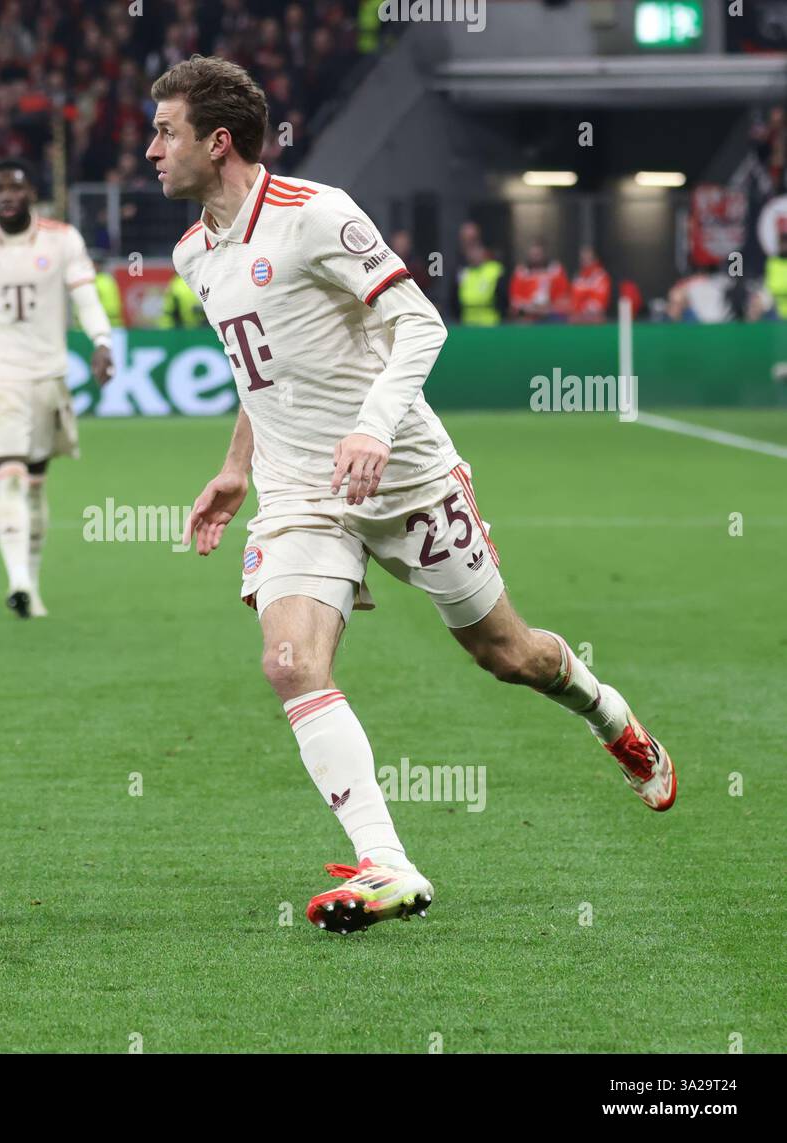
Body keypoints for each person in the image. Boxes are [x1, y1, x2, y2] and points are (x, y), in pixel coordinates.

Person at [147, 54, 677, 935]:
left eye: (165, 131)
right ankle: (388, 862)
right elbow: (261, 374)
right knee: (289, 663)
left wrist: (376, 426)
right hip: (300, 494)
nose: (151, 149)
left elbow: (418, 322)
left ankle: (610, 715)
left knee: (508, 654)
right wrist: (237, 466)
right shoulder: (192, 252)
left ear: (219, 140)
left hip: (403, 474)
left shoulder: (316, 215)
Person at [0, 159, 115, 618]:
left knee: (36, 484)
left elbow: (86, 298)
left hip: (48, 377)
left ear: (30, 192)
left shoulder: (62, 239)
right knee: (10, 476)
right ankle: (16, 580)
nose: (7, 195)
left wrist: (101, 341)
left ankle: (31, 587)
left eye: (15, 187)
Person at [509, 240, 570, 322]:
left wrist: (549, 307)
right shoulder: (521, 272)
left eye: (538, 254)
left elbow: (563, 296)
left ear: (544, 254)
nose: (536, 257)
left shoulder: (556, 271)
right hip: (527, 317)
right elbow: (515, 299)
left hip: (551, 316)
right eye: (534, 254)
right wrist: (530, 307)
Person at [569, 246, 611, 324]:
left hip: (595, 317)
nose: (585, 261)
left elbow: (600, 301)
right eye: (583, 259)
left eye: (588, 258)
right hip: (578, 317)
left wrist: (585, 310)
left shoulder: (601, 275)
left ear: (595, 259)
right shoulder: (578, 277)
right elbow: (574, 299)